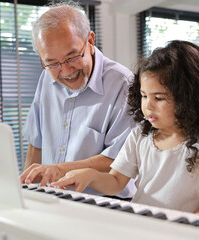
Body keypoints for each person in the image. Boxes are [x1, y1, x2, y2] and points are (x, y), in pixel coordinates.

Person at [51, 40, 199, 216]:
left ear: (189, 98)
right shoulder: (141, 135)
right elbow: (116, 181)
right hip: (141, 225)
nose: (148, 106)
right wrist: (90, 175)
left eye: (159, 98)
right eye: (144, 96)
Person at [20, 1, 135, 198]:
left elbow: (120, 160)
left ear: (90, 41)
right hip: (55, 199)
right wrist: (26, 191)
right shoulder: (47, 77)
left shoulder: (123, 84)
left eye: (72, 57)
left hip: (106, 203)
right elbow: (36, 144)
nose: (65, 71)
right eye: (52, 62)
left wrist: (59, 169)